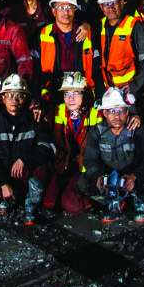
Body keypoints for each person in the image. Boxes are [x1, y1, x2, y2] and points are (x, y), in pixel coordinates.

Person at [0, 74, 55, 226]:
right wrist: (2, 183)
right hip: (4, 173)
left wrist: (25, 160)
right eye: (9, 95)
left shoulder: (35, 119)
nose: (14, 100)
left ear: (25, 98)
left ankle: (30, 205)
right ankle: (4, 199)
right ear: (3, 98)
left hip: (25, 173)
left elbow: (48, 147)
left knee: (44, 175)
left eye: (19, 96)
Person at [81, 87, 144, 224]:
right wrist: (97, 176)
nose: (117, 116)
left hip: (131, 175)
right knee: (83, 183)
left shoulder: (138, 131)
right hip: (108, 175)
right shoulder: (96, 132)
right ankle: (113, 201)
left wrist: (134, 176)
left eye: (121, 111)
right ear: (104, 113)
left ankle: (136, 199)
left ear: (127, 112)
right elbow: (90, 159)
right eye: (112, 111)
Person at [44, 72, 99, 217]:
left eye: (76, 93)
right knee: (48, 202)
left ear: (85, 95)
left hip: (86, 168)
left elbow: (95, 147)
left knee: (71, 204)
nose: (70, 98)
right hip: (66, 165)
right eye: (67, 94)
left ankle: (92, 199)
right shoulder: (60, 110)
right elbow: (56, 139)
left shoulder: (94, 113)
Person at [94, 0, 144, 98]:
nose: (111, 7)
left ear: (122, 3)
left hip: (134, 93)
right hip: (110, 92)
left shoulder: (134, 26)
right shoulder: (99, 26)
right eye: (106, 4)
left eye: (114, 2)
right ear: (101, 7)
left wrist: (134, 86)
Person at [34, 0, 97, 97]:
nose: (66, 12)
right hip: (53, 91)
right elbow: (35, 70)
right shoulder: (42, 34)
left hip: (81, 91)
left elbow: (97, 67)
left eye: (69, 7)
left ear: (75, 10)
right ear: (54, 11)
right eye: (61, 7)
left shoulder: (86, 33)